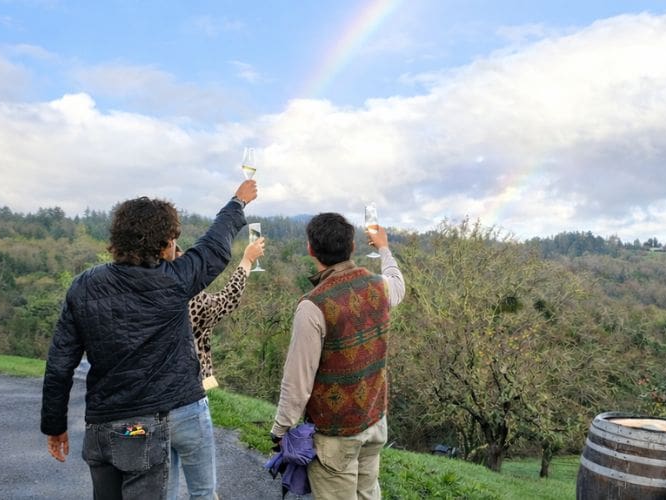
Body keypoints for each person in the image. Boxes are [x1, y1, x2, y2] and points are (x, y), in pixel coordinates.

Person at [41, 180, 256, 500]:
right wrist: (237, 202)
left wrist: (54, 424)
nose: (174, 247)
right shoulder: (175, 280)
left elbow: (60, 364)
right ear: (162, 245)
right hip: (180, 411)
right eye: (172, 240)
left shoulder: (83, 286)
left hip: (109, 421)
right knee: (202, 492)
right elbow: (214, 246)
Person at [269, 213, 405, 500]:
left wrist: (281, 429)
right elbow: (397, 283)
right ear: (352, 247)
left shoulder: (312, 306)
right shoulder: (378, 286)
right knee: (368, 493)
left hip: (335, 434)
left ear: (310, 249)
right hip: (374, 421)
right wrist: (384, 247)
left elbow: (298, 380)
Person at [164, 238, 265, 500]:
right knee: (204, 492)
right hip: (189, 398)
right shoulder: (189, 296)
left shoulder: (136, 293)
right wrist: (246, 261)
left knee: (163, 490)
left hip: (149, 404)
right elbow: (226, 301)